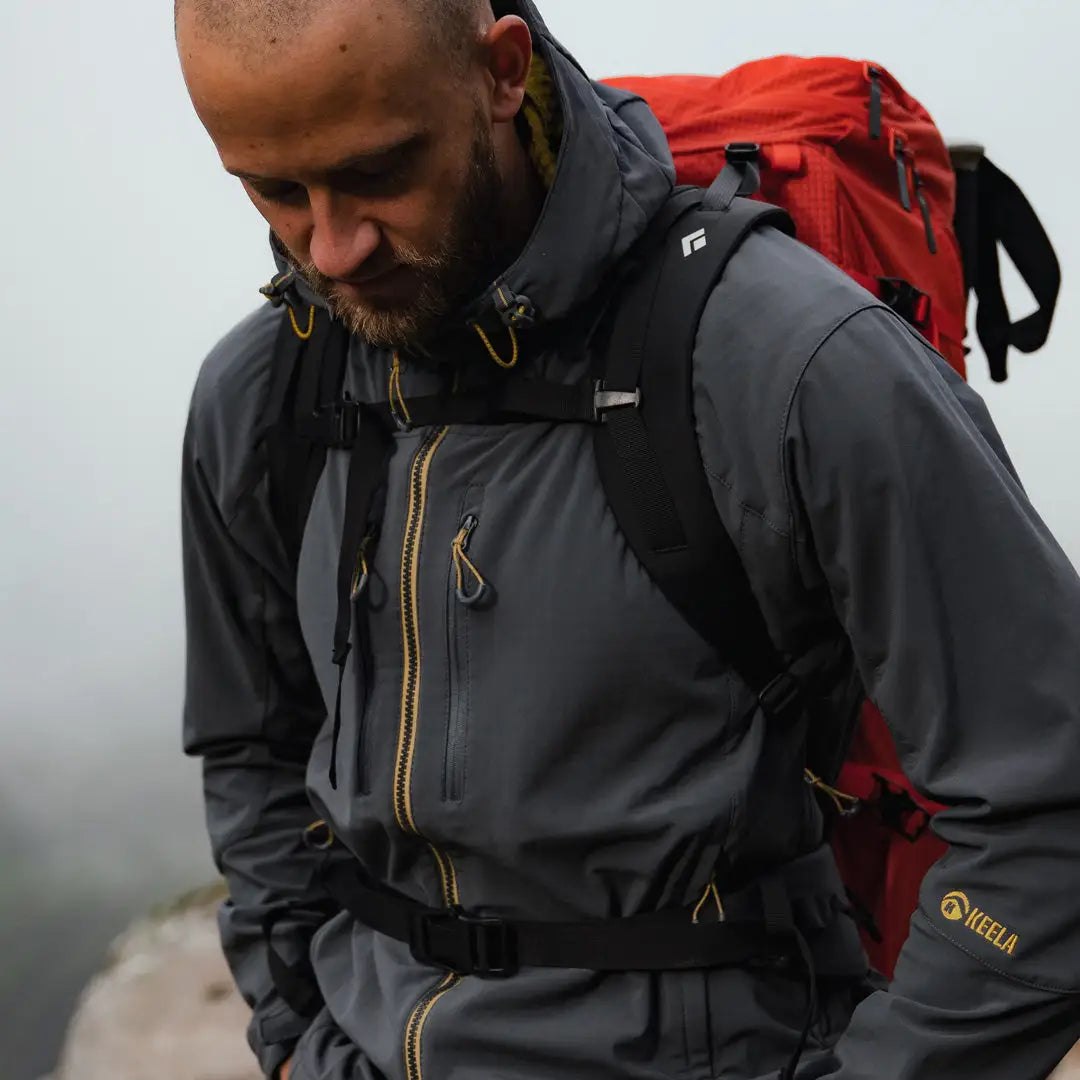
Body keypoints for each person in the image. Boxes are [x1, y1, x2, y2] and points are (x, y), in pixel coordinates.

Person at [177, 1, 1080, 1078]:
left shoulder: (788, 366)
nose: (332, 246)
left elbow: (1048, 812)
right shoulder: (267, 394)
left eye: (380, 171)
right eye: (275, 190)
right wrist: (295, 1036)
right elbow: (253, 750)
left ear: (501, 72)